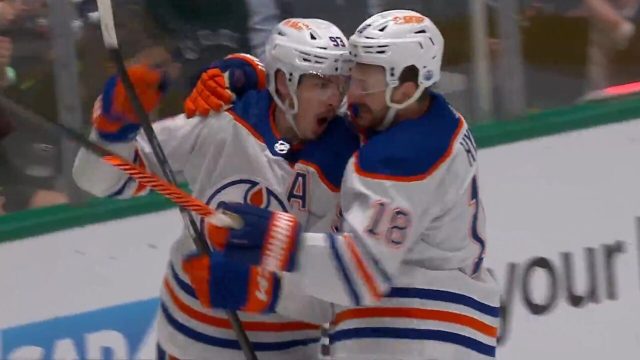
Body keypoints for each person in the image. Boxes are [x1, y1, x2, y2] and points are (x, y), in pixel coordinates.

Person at [185, 9, 500, 359]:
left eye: (365, 83)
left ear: (406, 88)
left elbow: (358, 274)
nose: (351, 95)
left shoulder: (404, 159)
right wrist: (252, 72)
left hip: (427, 339)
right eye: (353, 77)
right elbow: (348, 289)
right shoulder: (409, 117)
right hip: (404, 328)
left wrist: (275, 243)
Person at [72, 18, 357, 360]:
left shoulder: (352, 158)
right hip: (188, 345)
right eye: (321, 84)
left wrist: (267, 289)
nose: (335, 98)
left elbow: (351, 284)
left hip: (289, 352)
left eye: (341, 83)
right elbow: (101, 180)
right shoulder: (220, 122)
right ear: (283, 82)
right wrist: (113, 133)